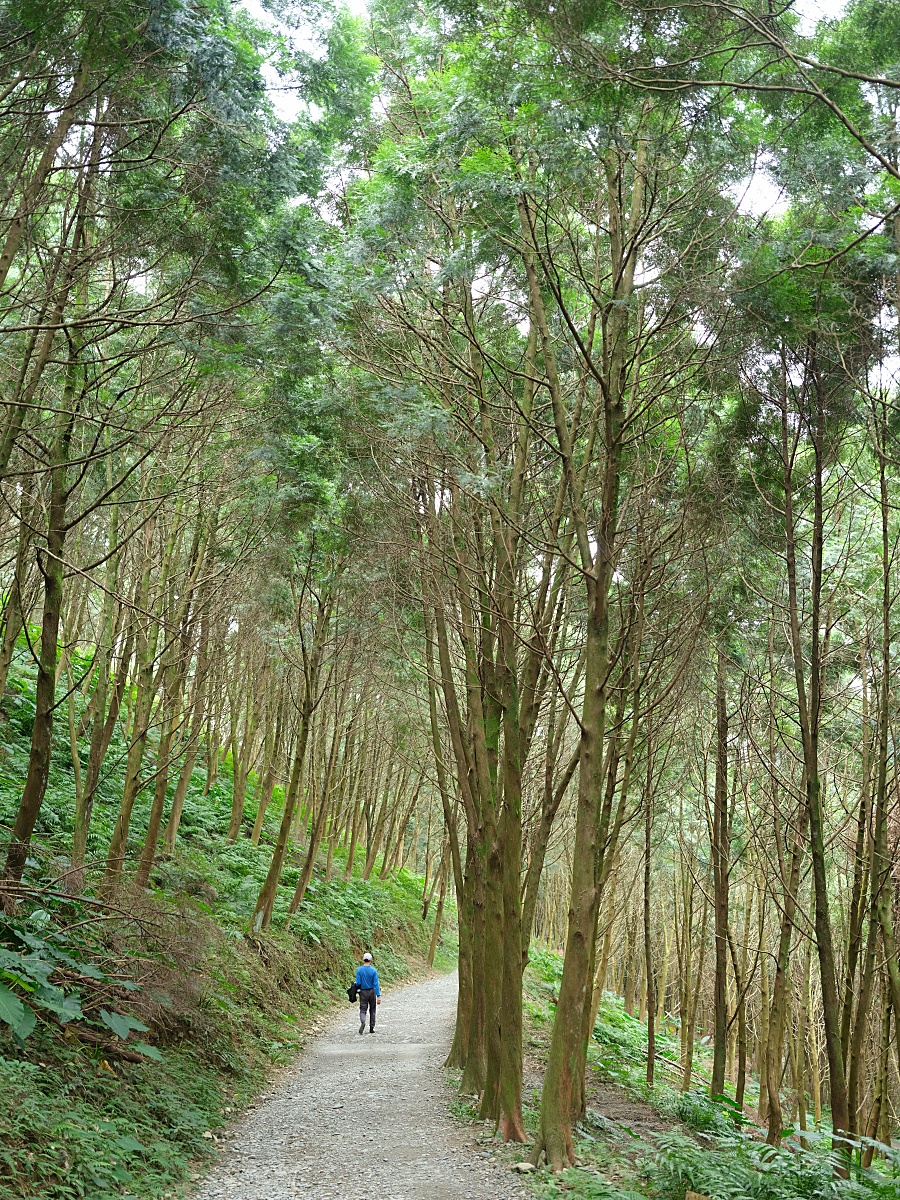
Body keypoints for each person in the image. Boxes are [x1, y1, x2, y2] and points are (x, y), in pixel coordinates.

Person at [355, 951, 381, 1034]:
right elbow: (376, 984)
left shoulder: (359, 970)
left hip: (363, 992)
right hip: (372, 991)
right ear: (371, 960)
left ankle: (363, 1022)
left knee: (363, 1009)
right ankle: (371, 1028)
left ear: (363, 959)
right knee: (372, 1010)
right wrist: (378, 996)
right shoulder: (373, 971)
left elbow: (358, 983)